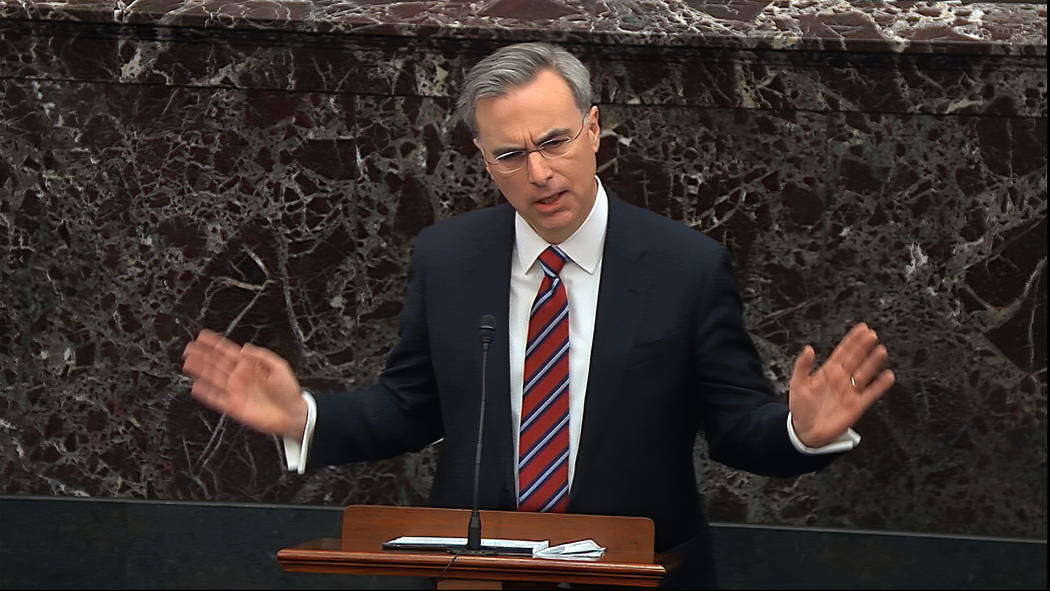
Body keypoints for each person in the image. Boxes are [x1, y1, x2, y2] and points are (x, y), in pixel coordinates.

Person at [182, 42, 894, 588]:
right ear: (482, 159)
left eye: (554, 142)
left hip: (639, 574)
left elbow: (735, 427)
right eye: (511, 154)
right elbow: (409, 407)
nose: (540, 173)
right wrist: (304, 417)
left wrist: (800, 429)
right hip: (477, 573)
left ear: (592, 128)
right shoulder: (448, 257)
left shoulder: (685, 265)